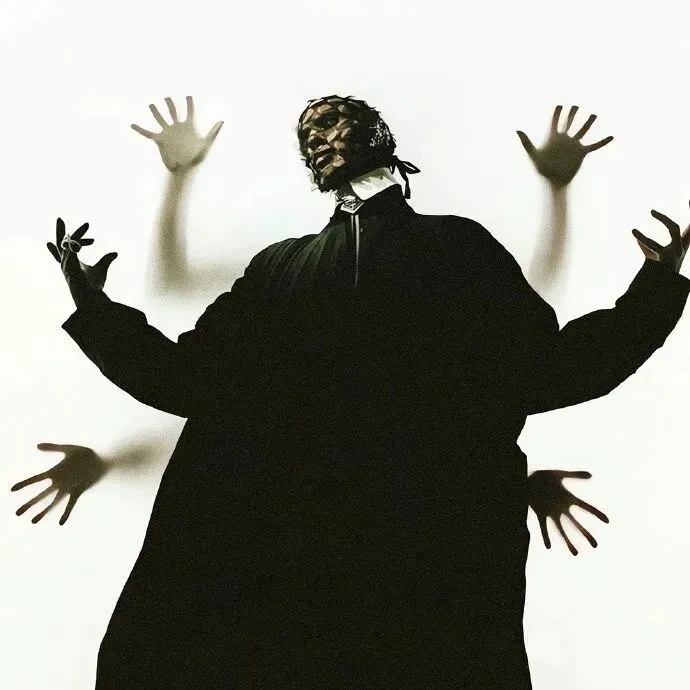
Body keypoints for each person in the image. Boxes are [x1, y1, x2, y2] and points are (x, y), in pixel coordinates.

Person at [48, 94, 690, 688]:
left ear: (379, 135)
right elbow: (189, 379)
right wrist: (93, 306)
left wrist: (655, 289)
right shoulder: (279, 266)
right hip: (290, 558)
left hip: (430, 554)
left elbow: (547, 367)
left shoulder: (457, 244)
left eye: (332, 124)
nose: (317, 140)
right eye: (307, 137)